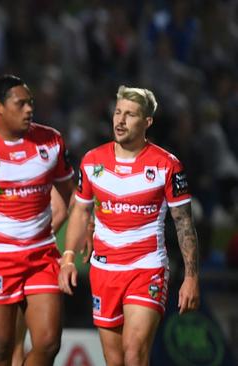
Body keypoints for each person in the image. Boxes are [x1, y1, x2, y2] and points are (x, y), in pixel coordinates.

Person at [59, 85, 200, 366]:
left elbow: (184, 222)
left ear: (147, 122)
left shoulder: (166, 165)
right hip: (104, 270)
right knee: (115, 360)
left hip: (147, 268)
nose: (120, 121)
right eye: (118, 112)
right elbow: (80, 212)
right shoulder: (92, 161)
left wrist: (191, 277)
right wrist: (68, 257)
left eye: (131, 115)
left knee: (134, 353)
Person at [0, 75, 74, 366]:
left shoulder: (51, 141)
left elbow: (68, 195)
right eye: (20, 103)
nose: (28, 109)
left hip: (41, 256)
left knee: (48, 344)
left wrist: (47, 233)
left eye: (30, 103)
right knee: (0, 348)